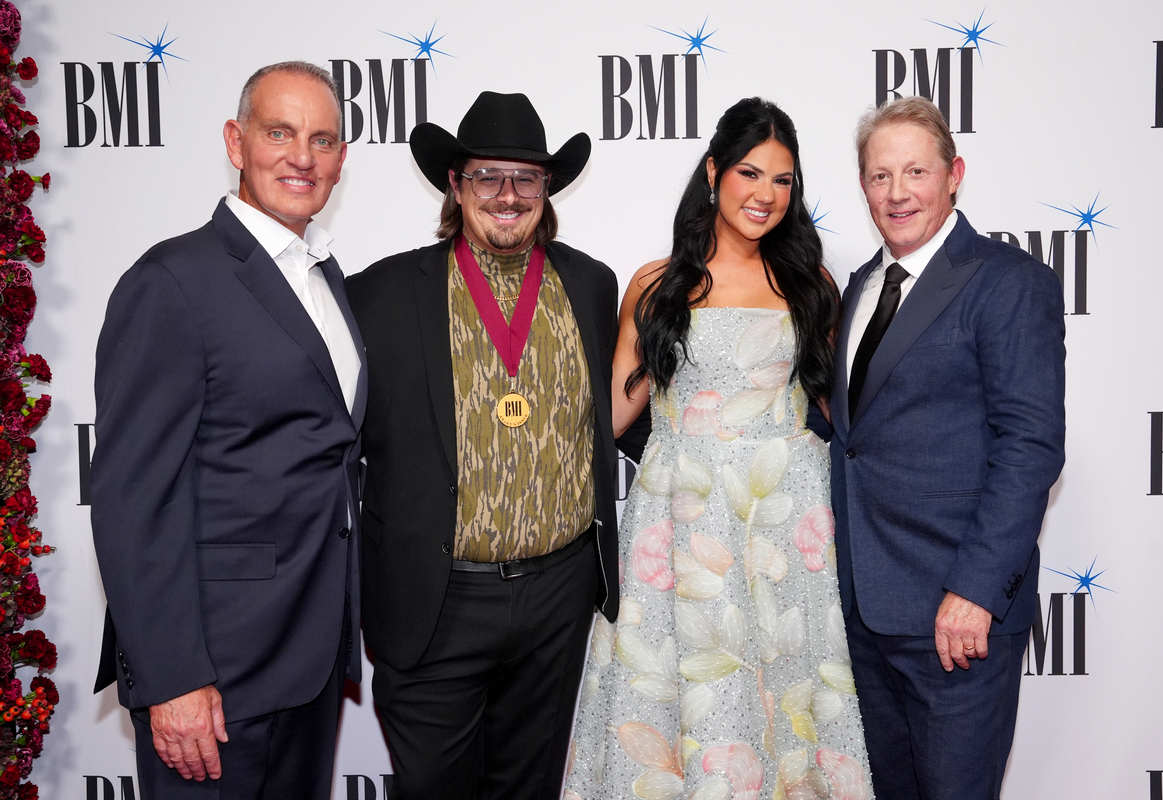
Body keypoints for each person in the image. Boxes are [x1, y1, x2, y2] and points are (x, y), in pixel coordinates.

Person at [566, 98, 873, 800]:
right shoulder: (657, 284)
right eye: (749, 172)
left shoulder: (812, 286)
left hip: (784, 528)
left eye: (783, 180)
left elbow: (844, 416)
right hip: (682, 525)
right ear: (714, 173)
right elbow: (612, 415)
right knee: (686, 702)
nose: (765, 193)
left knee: (790, 696)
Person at [90, 61, 365, 799]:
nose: (301, 156)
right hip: (214, 670)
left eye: (322, 139)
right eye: (279, 132)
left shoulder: (321, 277)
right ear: (235, 142)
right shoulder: (173, 280)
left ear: (342, 159)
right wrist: (173, 678)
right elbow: (130, 498)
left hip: (308, 655)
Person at [346, 91, 631, 800]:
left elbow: (619, 413)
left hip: (558, 599)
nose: (507, 195)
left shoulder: (593, 286)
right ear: (455, 184)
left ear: (547, 188)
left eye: (525, 178)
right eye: (486, 176)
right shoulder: (378, 294)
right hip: (435, 602)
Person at [831, 96, 1066, 799]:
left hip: (952, 620)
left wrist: (973, 592)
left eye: (915, 172)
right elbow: (855, 441)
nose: (897, 193)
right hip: (865, 616)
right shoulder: (858, 290)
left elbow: (1029, 445)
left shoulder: (1007, 281)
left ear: (954, 173)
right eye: (879, 176)